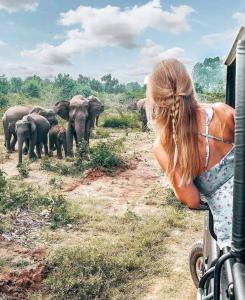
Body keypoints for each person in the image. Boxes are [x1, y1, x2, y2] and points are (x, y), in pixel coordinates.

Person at [146, 59, 235, 249]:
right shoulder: (222, 112)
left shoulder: (164, 145)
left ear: (155, 97)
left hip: (235, 232)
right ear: (189, 85)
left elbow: (192, 200)